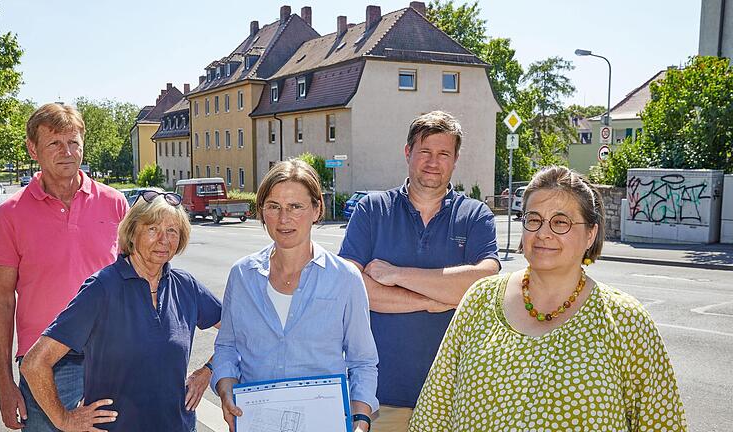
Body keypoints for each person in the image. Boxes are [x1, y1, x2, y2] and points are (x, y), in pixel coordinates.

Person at [409, 166, 688, 431]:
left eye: (560, 222)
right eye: (534, 220)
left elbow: (661, 423)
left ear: (590, 234)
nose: (543, 233)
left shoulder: (627, 321)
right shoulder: (479, 300)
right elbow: (434, 412)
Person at [339, 110, 500, 431]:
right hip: (380, 396)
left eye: (444, 154)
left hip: (454, 398)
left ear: (455, 160)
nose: (433, 161)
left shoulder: (474, 215)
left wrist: (397, 275)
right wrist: (433, 299)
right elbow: (349, 286)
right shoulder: (372, 209)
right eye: (425, 151)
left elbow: (483, 282)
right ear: (408, 152)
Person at [20, 189, 223, 431]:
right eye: (152, 229)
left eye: (172, 231)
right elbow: (34, 363)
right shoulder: (102, 288)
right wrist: (65, 420)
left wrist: (207, 371)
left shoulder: (185, 286)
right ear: (132, 232)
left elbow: (239, 330)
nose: (164, 240)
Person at [0, 103, 128, 431]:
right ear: (32, 149)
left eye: (74, 142)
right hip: (44, 367)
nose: (66, 152)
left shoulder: (115, 203)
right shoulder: (11, 214)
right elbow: (2, 301)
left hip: (111, 358)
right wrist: (4, 383)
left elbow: (134, 282)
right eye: (54, 143)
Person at [212, 160, 378, 432]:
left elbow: (362, 361)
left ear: (316, 209)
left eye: (295, 207)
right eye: (273, 207)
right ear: (262, 211)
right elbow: (227, 347)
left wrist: (361, 422)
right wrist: (226, 389)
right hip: (257, 422)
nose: (283, 219)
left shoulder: (345, 278)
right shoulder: (242, 275)